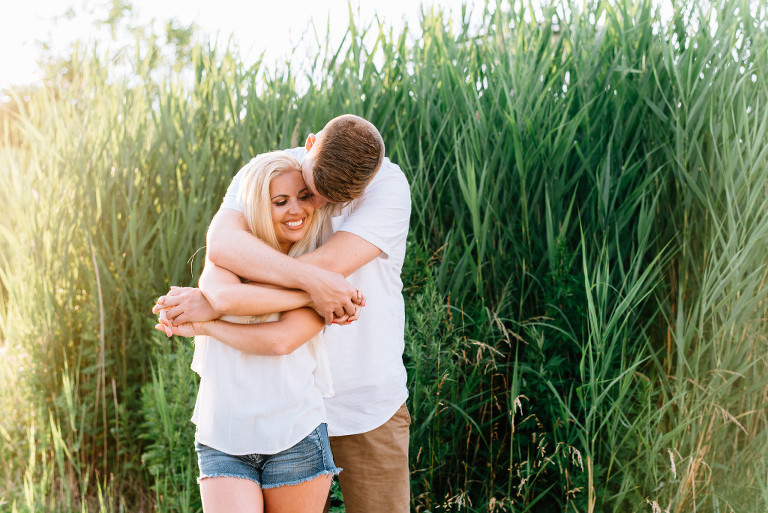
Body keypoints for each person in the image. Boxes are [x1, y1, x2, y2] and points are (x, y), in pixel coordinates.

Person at [156, 114, 412, 513]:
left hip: (364, 404)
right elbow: (223, 246)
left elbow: (326, 266)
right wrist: (314, 287)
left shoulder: (389, 189)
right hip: (277, 405)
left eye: (335, 199)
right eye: (314, 189)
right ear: (309, 144)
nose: (320, 204)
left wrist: (220, 301)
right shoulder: (266, 173)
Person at [157, 151, 345, 513]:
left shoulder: (323, 263)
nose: (296, 210)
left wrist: (207, 322)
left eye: (304, 197)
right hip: (223, 437)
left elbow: (279, 341)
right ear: (259, 205)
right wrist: (314, 294)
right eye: (280, 201)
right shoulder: (224, 257)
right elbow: (225, 295)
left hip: (296, 436)